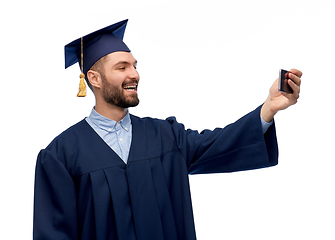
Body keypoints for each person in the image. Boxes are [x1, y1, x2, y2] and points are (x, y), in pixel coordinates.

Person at [33, 19, 301, 240]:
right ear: (94, 78)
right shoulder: (61, 156)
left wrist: (268, 108)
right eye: (122, 67)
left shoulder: (166, 136)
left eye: (135, 66)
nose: (134, 74)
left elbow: (220, 144)